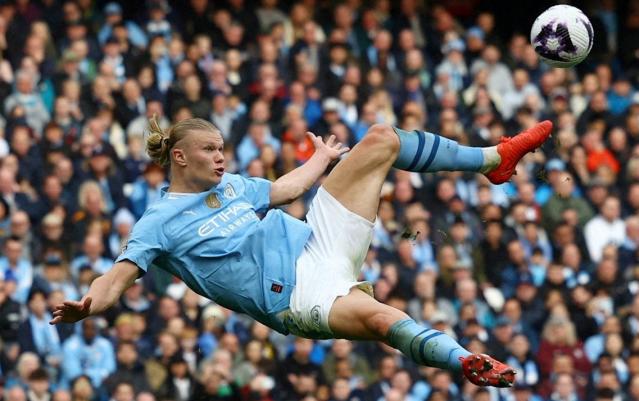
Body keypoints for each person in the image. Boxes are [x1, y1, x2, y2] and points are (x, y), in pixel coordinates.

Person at [50, 116, 553, 387]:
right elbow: (115, 278)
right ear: (179, 157)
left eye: (222, 147)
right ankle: (466, 361)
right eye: (210, 150)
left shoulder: (232, 186)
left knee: (381, 139)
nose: (221, 157)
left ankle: (493, 158)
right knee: (383, 321)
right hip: (293, 295)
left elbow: (287, 189)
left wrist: (321, 158)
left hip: (316, 241)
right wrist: (88, 305)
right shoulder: (158, 222)